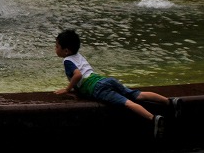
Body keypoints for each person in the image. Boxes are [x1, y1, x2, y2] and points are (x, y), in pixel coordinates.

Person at [54, 29, 182, 138]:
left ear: (66, 51)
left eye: (57, 46)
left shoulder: (67, 61)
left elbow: (78, 75)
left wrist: (67, 89)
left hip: (97, 88)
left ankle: (153, 119)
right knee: (138, 95)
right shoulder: (78, 55)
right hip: (105, 80)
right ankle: (170, 102)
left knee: (127, 103)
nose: (55, 49)